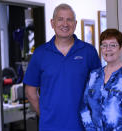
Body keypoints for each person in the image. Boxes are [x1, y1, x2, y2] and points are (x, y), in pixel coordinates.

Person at [23, 3, 101, 131]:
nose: (65, 24)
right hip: (50, 127)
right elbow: (30, 91)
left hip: (84, 127)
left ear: (75, 24)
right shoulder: (40, 53)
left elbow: (97, 90)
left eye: (69, 20)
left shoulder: (89, 52)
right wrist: (45, 116)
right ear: (52, 23)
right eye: (60, 19)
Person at [80, 29, 122, 131]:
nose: (108, 49)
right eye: (104, 45)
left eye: (113, 45)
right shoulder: (93, 75)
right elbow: (84, 107)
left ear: (121, 48)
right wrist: (90, 129)